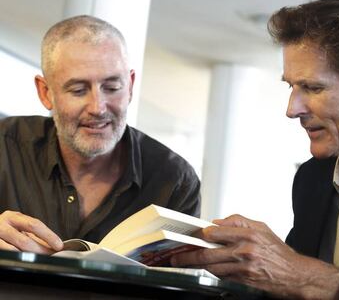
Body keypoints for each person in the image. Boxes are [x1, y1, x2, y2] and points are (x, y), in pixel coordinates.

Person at [171, 0, 339, 299]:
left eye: (313, 87)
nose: (292, 108)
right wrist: (249, 265)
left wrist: (311, 279)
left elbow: (301, 277)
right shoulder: (311, 179)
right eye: (291, 86)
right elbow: (291, 283)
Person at [0, 15, 200, 254]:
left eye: (112, 88)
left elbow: (179, 284)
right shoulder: (5, 146)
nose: (98, 107)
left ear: (130, 86)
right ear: (45, 93)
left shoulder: (175, 181)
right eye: (78, 90)